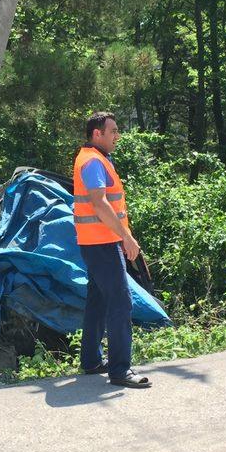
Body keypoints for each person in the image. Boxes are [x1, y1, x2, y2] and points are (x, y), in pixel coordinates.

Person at [73, 112, 152, 388]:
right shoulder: (93, 162)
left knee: (98, 300)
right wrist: (127, 237)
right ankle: (120, 370)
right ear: (98, 134)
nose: (117, 135)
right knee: (121, 302)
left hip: (95, 242)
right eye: (113, 131)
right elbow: (99, 203)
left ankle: (92, 360)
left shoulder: (95, 158)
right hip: (102, 243)